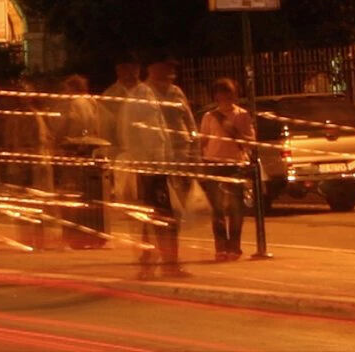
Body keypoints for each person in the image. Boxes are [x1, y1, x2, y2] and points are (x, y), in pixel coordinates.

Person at [122, 60, 192, 278]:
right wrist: (150, 163)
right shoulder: (141, 95)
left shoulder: (148, 94)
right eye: (165, 67)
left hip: (158, 165)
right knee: (162, 217)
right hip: (152, 167)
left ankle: (153, 262)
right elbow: (143, 133)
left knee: (157, 216)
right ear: (152, 68)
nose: (171, 72)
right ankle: (164, 263)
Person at [196, 77, 258, 262]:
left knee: (236, 208)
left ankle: (234, 246)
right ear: (216, 96)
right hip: (214, 164)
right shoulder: (209, 116)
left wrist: (239, 137)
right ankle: (221, 247)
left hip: (235, 165)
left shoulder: (242, 115)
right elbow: (203, 140)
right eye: (222, 93)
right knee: (217, 208)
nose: (226, 97)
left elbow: (251, 142)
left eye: (229, 93)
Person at [58, 73, 111, 248]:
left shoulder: (74, 103)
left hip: (74, 150)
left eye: (66, 89)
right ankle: (94, 234)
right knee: (92, 194)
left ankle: (74, 235)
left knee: (71, 193)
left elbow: (70, 122)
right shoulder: (92, 102)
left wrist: (61, 139)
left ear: (72, 88)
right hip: (91, 149)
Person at [100, 59, 146, 247]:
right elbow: (105, 128)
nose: (131, 73)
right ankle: (138, 241)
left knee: (143, 194)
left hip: (145, 152)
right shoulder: (111, 96)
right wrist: (110, 151)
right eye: (126, 69)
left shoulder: (145, 91)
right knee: (127, 193)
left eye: (134, 69)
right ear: (118, 70)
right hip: (123, 152)